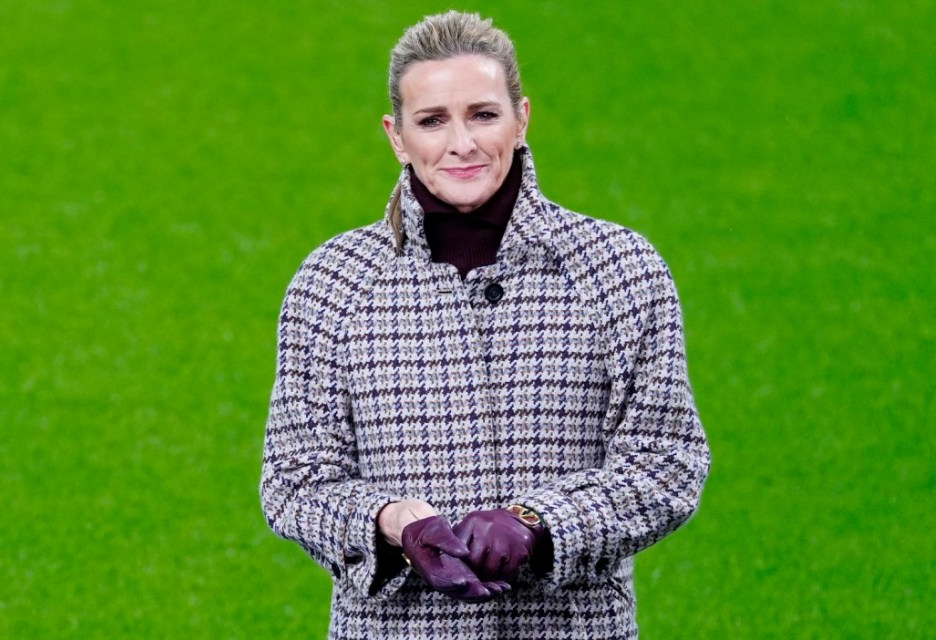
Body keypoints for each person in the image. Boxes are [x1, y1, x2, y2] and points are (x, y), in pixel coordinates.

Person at [260, 10, 710, 639]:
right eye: (432, 121)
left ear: (522, 118)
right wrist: (392, 522)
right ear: (396, 136)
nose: (462, 144)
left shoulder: (620, 269)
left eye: (483, 115)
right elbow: (294, 481)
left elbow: (667, 464)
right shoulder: (334, 281)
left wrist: (539, 522)